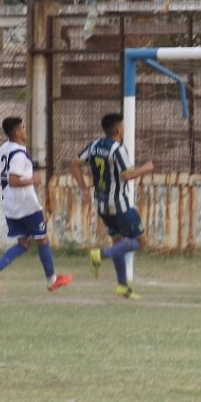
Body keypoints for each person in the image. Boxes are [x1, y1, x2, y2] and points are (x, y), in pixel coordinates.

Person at [0, 117, 73, 294]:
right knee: (42, 239)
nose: (25, 130)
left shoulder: (4, 148)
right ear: (17, 132)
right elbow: (14, 180)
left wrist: (26, 169)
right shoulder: (18, 153)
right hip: (25, 204)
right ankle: (52, 280)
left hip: (10, 203)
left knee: (24, 243)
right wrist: (32, 179)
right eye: (23, 127)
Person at [71, 113, 154, 300]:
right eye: (123, 127)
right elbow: (127, 175)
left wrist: (84, 189)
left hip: (102, 205)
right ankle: (101, 254)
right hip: (120, 206)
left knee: (119, 242)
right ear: (118, 130)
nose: (124, 130)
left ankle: (122, 286)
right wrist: (146, 168)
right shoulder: (117, 149)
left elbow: (75, 164)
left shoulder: (94, 145)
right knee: (140, 241)